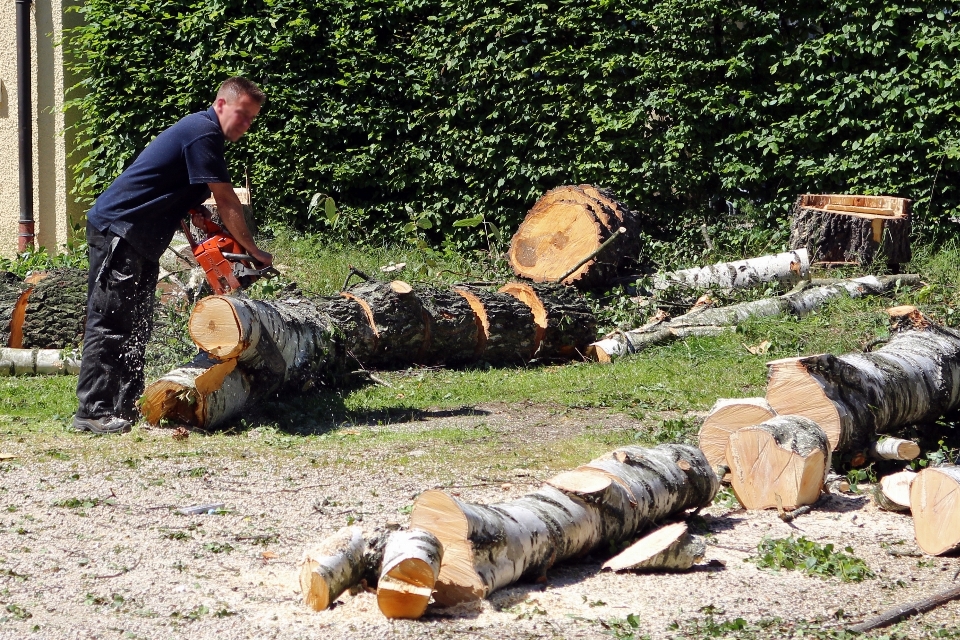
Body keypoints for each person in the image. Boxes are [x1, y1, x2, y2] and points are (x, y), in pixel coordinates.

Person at [73, 77, 273, 434]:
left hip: (140, 237)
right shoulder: (202, 132)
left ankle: (125, 406)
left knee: (137, 324)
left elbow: (184, 200)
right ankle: (92, 412)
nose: (245, 124)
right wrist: (253, 251)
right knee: (111, 321)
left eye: (251, 119)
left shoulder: (202, 134)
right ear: (221, 104)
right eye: (242, 115)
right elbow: (226, 200)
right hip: (119, 231)